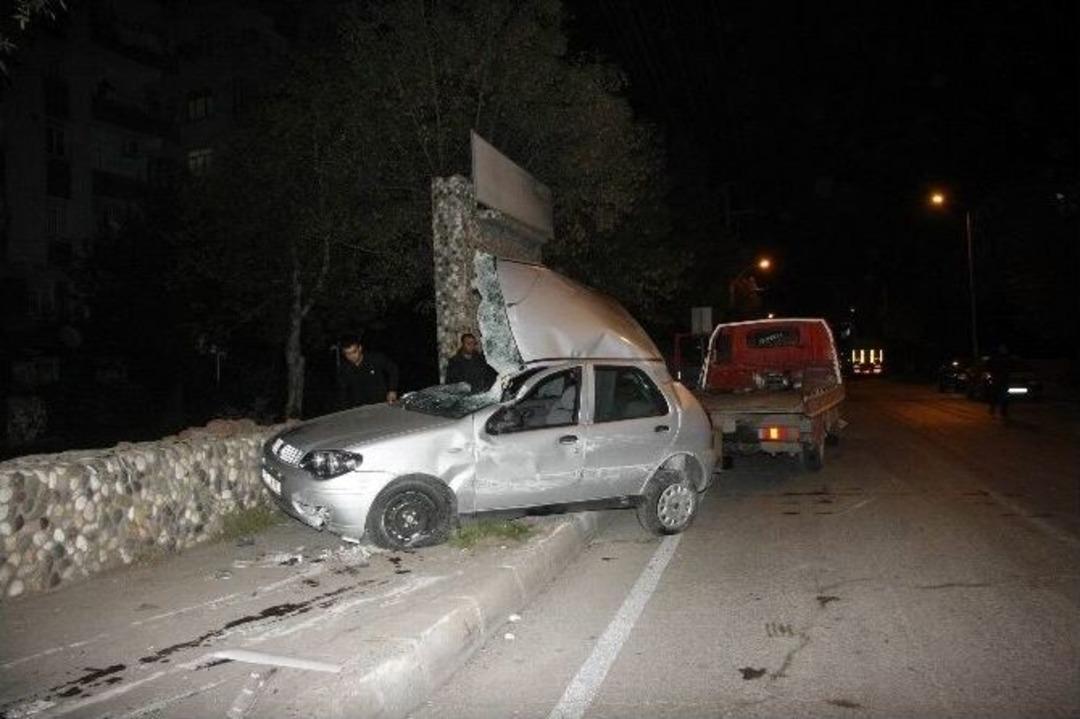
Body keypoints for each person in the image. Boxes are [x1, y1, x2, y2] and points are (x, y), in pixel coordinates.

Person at [336, 333, 399, 408]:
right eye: (348, 354)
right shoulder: (344, 369)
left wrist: (392, 389)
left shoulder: (374, 358)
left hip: (382, 403)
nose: (352, 356)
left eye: (354, 352)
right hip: (360, 407)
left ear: (360, 348)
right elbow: (343, 392)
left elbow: (393, 369)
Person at [986, 344, 1012, 419]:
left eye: (1005, 349)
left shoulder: (1007, 358)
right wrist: (992, 374)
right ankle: (992, 409)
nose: (1004, 350)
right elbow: (989, 365)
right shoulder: (995, 358)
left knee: (1004, 397)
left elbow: (1010, 368)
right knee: (994, 395)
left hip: (1004, 380)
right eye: (1002, 349)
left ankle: (1003, 412)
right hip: (996, 379)